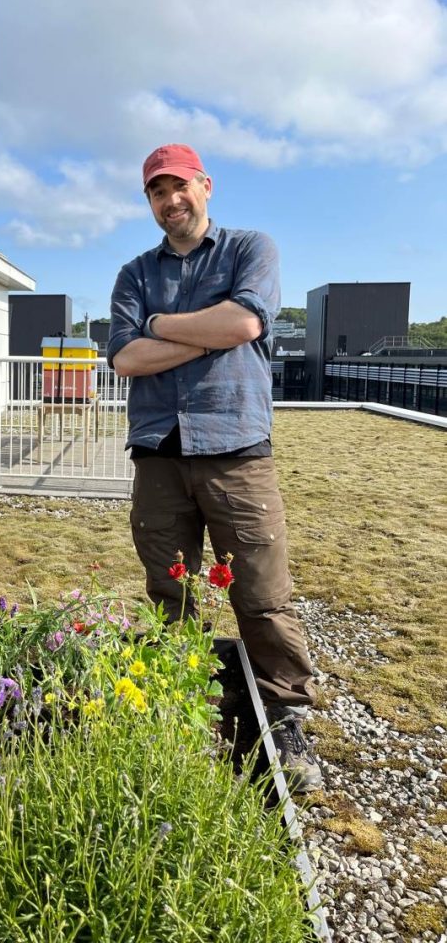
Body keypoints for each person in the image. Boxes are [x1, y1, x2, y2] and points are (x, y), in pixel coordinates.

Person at [107, 143, 322, 792]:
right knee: (169, 592)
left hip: (236, 447)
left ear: (205, 185)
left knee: (260, 591)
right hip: (159, 452)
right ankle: (179, 702)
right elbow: (125, 360)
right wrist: (211, 329)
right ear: (149, 201)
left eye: (179, 186)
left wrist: (165, 325)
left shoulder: (250, 249)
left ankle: (283, 714)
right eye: (155, 191)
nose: (170, 200)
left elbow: (247, 321)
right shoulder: (133, 274)